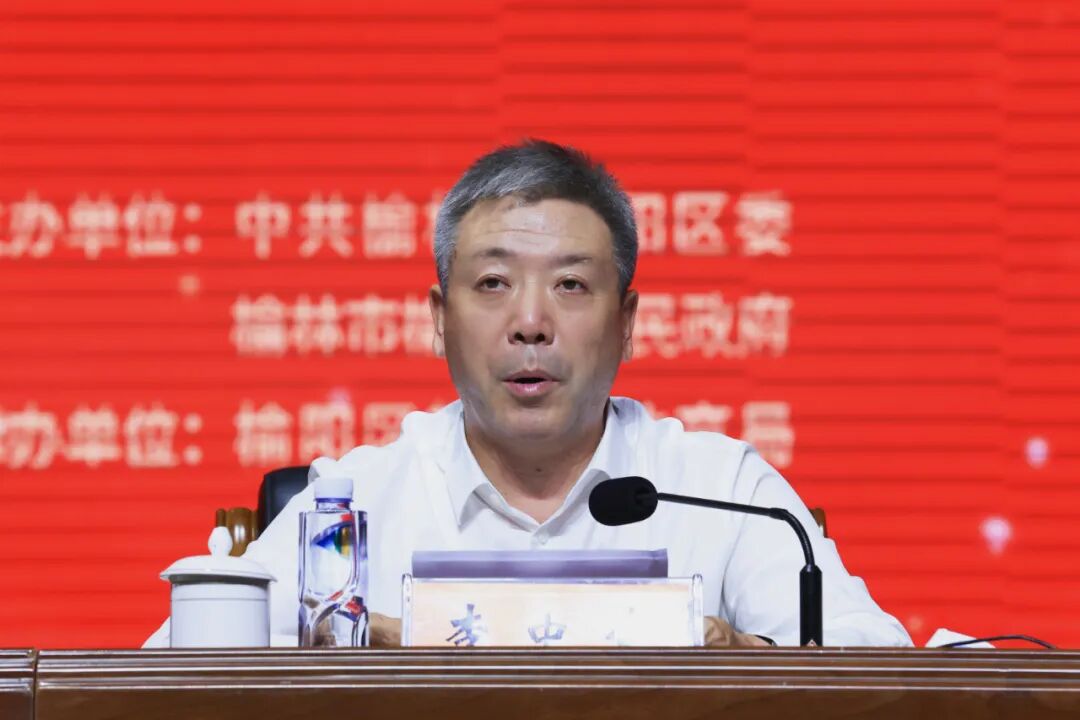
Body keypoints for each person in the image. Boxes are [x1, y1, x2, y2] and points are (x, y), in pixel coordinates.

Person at [146, 139, 910, 648]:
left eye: (570, 285)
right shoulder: (354, 502)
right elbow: (176, 666)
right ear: (439, 320)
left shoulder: (721, 489)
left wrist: (742, 654)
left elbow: (873, 656)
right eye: (493, 284)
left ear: (627, 323)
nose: (531, 323)